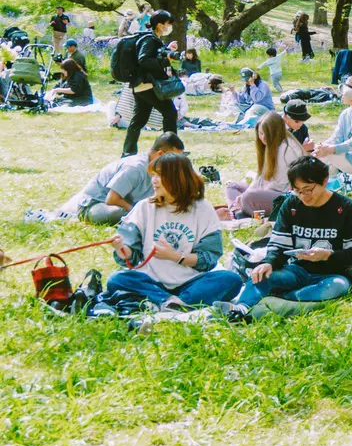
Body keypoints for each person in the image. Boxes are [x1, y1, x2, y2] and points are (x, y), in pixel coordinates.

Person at [103, 152, 243, 309]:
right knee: (117, 279)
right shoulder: (144, 207)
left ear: (178, 178)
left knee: (231, 279)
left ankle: (171, 302)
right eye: (153, 175)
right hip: (151, 280)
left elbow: (209, 258)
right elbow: (131, 259)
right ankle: (173, 302)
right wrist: (121, 248)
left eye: (160, 176)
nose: (154, 181)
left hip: (190, 281)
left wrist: (176, 257)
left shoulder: (203, 209)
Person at [229, 156, 352, 313]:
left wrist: (328, 255)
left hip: (333, 274)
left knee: (335, 287)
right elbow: (278, 245)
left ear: (325, 181)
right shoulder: (291, 205)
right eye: (297, 191)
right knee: (262, 276)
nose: (303, 196)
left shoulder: (348, 209)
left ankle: (280, 301)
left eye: (308, 189)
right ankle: (240, 309)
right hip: (296, 271)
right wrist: (268, 263)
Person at [59, 133, 185, 224]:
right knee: (121, 214)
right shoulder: (135, 168)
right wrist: (136, 212)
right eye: (174, 158)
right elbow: (112, 199)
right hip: (96, 205)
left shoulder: (158, 169)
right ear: (161, 154)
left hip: (124, 204)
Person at [122, 11, 181, 157]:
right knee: (170, 113)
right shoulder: (149, 39)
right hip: (148, 84)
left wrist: (167, 50)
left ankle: (128, 152)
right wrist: (167, 60)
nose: (170, 27)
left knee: (139, 119)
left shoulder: (152, 38)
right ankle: (170, 150)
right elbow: (144, 60)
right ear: (160, 25)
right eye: (168, 24)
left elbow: (153, 56)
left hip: (141, 85)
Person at [226, 111, 304, 218]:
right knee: (232, 186)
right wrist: (247, 194)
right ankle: (237, 211)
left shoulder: (286, 150)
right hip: (267, 191)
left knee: (247, 198)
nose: (263, 138)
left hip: (284, 197)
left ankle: (243, 212)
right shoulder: (272, 145)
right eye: (261, 133)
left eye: (267, 134)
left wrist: (247, 197)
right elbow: (261, 177)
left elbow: (278, 187)